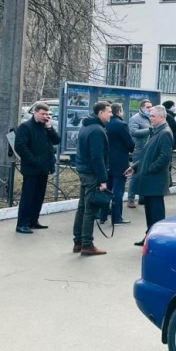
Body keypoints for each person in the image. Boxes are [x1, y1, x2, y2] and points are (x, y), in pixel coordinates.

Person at [127, 105, 174, 246]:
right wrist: (135, 167)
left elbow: (164, 157)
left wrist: (149, 170)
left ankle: (158, 241)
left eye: (153, 116)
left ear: (162, 117)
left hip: (155, 180)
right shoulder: (155, 131)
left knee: (156, 213)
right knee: (149, 211)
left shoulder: (165, 133)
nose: (150, 118)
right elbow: (147, 155)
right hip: (149, 179)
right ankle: (149, 237)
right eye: (150, 116)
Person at [13, 101, 60, 234]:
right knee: (28, 196)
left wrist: (50, 128)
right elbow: (20, 146)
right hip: (31, 168)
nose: (46, 116)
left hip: (44, 168)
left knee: (39, 196)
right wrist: (34, 160)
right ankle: (22, 223)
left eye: (48, 114)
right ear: (35, 113)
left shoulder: (46, 127)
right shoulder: (25, 127)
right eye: (43, 114)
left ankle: (33, 220)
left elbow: (56, 140)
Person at [72, 101, 112, 256]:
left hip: (84, 172)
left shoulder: (86, 126)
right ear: (100, 113)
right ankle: (87, 244)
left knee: (82, 208)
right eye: (108, 111)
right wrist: (103, 179)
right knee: (90, 210)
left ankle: (78, 242)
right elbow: (97, 157)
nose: (111, 114)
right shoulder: (97, 130)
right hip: (92, 174)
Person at [100, 103, 134, 225]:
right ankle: (117, 217)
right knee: (118, 191)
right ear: (119, 111)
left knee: (106, 189)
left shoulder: (104, 124)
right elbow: (130, 143)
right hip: (120, 163)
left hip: (106, 162)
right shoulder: (122, 125)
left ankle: (102, 216)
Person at [127, 99, 152, 208]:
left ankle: (142, 198)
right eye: (147, 107)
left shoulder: (150, 117)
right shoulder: (135, 118)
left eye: (151, 107)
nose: (150, 109)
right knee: (136, 175)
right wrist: (149, 130)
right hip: (139, 149)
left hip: (148, 149)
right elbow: (133, 132)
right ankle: (131, 199)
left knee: (145, 174)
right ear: (142, 107)